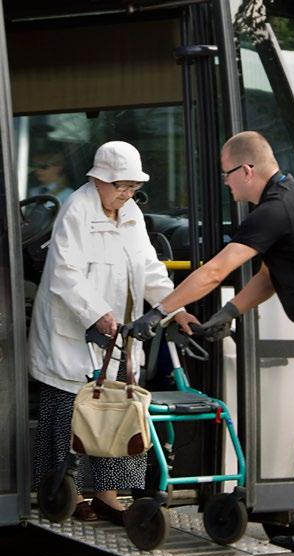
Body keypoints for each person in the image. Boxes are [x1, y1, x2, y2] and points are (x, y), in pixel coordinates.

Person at [123, 131, 294, 556]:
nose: (227, 184)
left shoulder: (275, 208)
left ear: (247, 170)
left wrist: (158, 314)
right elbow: (270, 274)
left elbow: (216, 270)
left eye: (227, 175)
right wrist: (229, 313)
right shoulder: (289, 200)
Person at [29, 140, 196, 524]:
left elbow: (150, 268)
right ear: (98, 180)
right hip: (74, 336)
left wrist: (176, 309)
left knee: (120, 415)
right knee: (67, 413)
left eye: (132, 187)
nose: (126, 193)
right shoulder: (77, 210)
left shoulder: (131, 213)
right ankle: (60, 491)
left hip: (119, 337)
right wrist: (99, 313)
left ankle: (109, 495)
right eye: (120, 185)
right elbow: (64, 273)